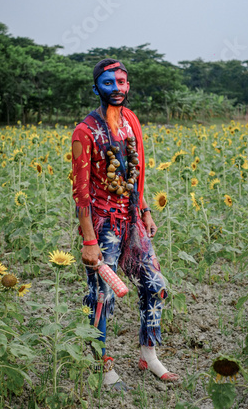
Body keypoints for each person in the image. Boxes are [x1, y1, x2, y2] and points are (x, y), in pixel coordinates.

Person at [71, 58, 178, 389]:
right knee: (103, 295)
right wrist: (89, 241)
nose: (117, 88)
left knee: (155, 284)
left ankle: (149, 355)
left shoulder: (131, 120)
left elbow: (138, 170)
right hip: (102, 224)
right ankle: (103, 365)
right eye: (109, 83)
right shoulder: (84, 132)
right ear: (96, 88)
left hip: (131, 217)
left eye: (122, 82)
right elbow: (82, 194)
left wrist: (144, 209)